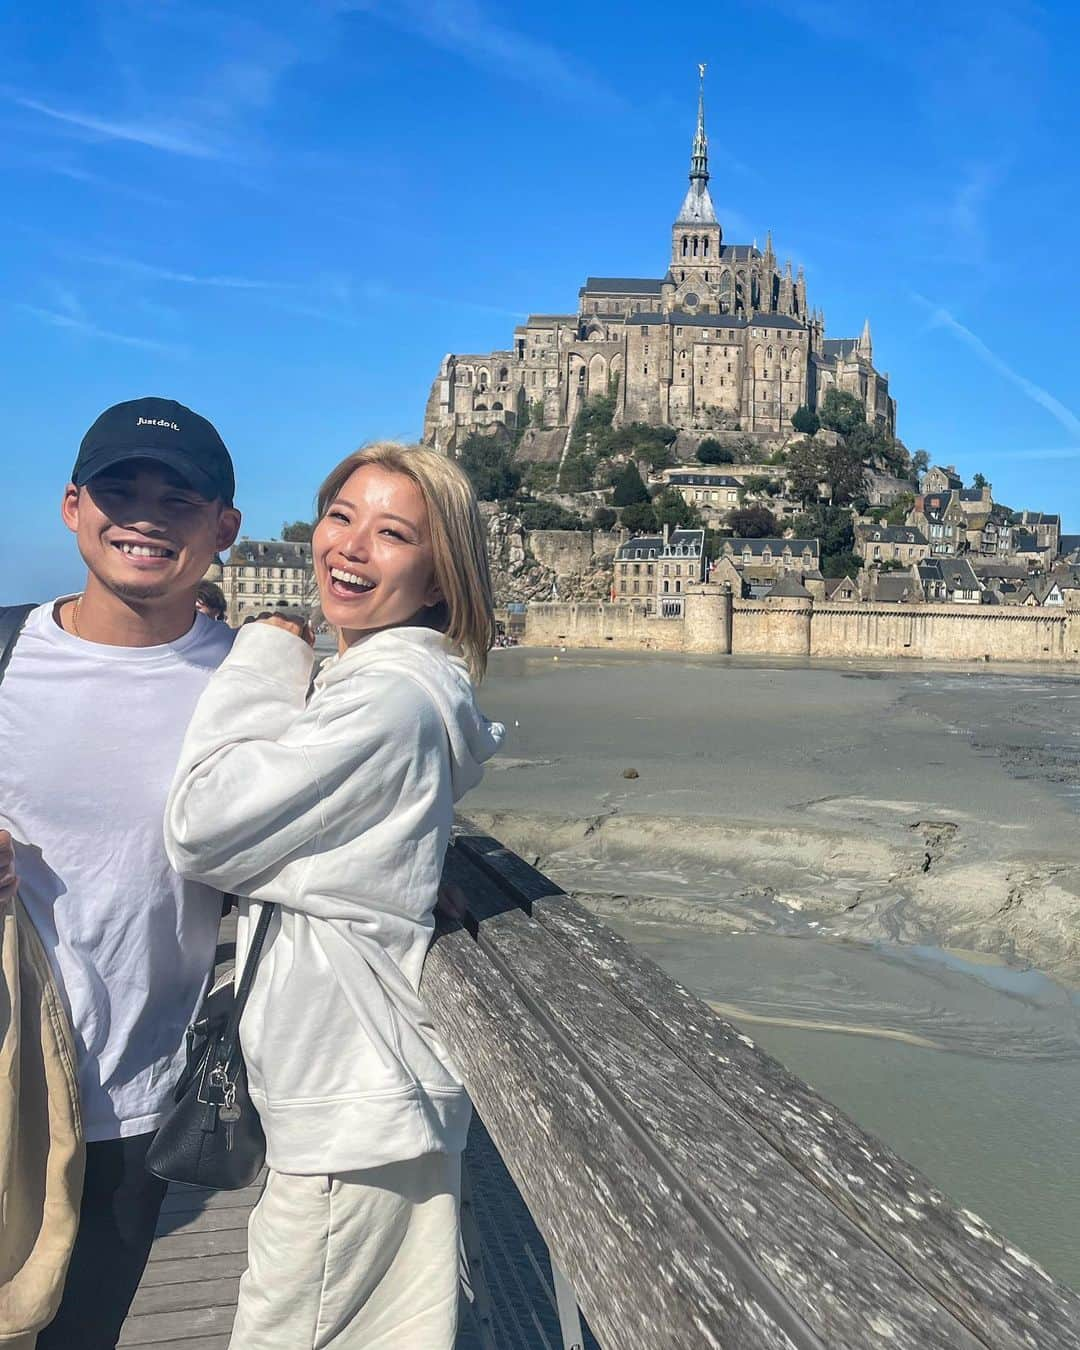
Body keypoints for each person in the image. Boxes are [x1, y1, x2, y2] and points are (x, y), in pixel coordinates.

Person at [164, 442, 504, 1349]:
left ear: (439, 579)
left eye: (393, 534)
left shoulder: (385, 702)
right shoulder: (387, 688)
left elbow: (199, 825)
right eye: (341, 515)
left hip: (352, 1109)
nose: (349, 547)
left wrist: (267, 652)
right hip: (359, 1104)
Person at [0, 396, 241, 1349]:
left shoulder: (260, 688)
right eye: (118, 490)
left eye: (177, 499)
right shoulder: (4, 652)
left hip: (139, 1107)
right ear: (71, 507)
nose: (143, 515)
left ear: (223, 528)